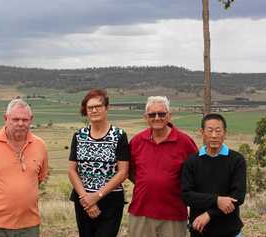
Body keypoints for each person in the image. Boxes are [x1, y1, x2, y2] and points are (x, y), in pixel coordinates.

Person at [0, 98, 48, 237]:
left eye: (25, 120)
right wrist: (1, 197)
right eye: (15, 119)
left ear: (31, 119)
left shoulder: (40, 145)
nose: (20, 123)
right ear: (5, 118)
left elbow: (39, 178)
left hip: (29, 225)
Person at [128, 96, 198, 237]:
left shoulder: (184, 142)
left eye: (161, 114)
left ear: (169, 116)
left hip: (174, 213)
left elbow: (196, 173)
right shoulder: (137, 141)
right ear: (146, 117)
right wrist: (149, 183)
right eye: (152, 114)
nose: (157, 118)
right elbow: (129, 170)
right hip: (141, 212)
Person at [68, 89, 130, 237]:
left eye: (98, 106)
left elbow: (123, 172)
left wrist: (97, 195)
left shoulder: (119, 136)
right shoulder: (79, 136)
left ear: (107, 108)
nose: (94, 110)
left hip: (111, 200)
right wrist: (86, 198)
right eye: (90, 107)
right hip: (83, 201)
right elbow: (71, 170)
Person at [181, 113, 246, 237]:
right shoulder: (191, 161)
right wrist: (217, 200)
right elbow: (186, 195)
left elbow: (237, 197)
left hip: (230, 231)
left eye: (218, 131)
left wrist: (209, 214)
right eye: (210, 131)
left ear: (225, 133)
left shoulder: (237, 160)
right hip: (200, 231)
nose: (214, 135)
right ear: (202, 132)